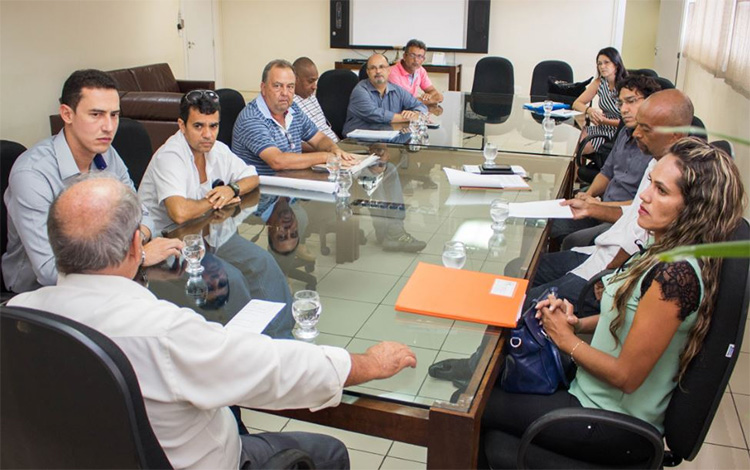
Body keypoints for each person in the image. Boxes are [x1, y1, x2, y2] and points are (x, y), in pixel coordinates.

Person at [8, 174, 418, 469]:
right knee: (329, 453)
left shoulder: (17, 315)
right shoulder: (164, 333)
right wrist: (367, 363)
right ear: (139, 245)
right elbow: (275, 370)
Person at [481, 138, 746, 466]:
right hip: (591, 396)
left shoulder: (676, 276)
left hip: (612, 424)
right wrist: (578, 323)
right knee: (484, 391)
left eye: (661, 191)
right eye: (650, 183)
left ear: (693, 207)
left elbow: (626, 376)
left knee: (473, 406)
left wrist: (567, 340)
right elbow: (628, 313)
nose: (645, 196)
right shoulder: (661, 249)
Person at [2, 69, 181, 294]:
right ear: (67, 114)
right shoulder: (31, 175)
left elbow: (143, 215)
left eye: (114, 115)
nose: (108, 127)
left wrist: (135, 245)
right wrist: (139, 255)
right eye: (96, 114)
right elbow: (49, 271)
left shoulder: (106, 153)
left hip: (106, 276)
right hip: (40, 294)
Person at [532, 89, 694, 316]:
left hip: (611, 270)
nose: (635, 133)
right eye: (638, 125)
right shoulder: (657, 162)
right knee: (525, 271)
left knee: (527, 303)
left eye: (645, 129)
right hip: (601, 252)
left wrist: (609, 275)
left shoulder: (678, 181)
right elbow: (633, 212)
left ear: (674, 136)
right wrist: (592, 207)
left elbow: (641, 242)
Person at [550, 74, 661, 247]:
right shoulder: (624, 133)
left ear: (651, 103)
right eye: (621, 103)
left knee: (572, 241)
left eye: (631, 101)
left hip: (622, 218)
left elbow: (641, 205)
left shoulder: (658, 149)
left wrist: (598, 206)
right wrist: (589, 194)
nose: (624, 109)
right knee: (551, 223)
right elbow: (606, 172)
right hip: (600, 205)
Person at [138, 89, 259, 233]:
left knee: (261, 256)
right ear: (182, 125)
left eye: (213, 126)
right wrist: (217, 200)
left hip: (203, 230)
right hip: (165, 240)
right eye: (198, 126)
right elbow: (180, 213)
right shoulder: (169, 156)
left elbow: (252, 177)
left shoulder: (218, 149)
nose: (207, 135)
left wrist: (231, 189)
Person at [232, 59, 355, 175]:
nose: (285, 93)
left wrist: (333, 149)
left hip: (293, 184)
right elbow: (277, 161)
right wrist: (326, 156)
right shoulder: (251, 118)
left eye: (290, 86)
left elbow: (318, 138)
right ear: (263, 88)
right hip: (264, 192)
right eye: (277, 86)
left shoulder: (293, 108)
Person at [342, 54, 428, 137]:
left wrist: (415, 113)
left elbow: (421, 106)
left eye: (382, 67)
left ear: (389, 70)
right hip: (357, 144)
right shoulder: (360, 90)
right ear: (368, 72)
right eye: (373, 68)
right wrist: (409, 118)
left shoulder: (397, 90)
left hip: (386, 141)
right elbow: (376, 115)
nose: (378, 71)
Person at [572, 47, 628, 154]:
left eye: (606, 62)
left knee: (581, 148)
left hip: (618, 132)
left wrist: (604, 121)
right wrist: (590, 110)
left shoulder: (626, 87)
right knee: (573, 142)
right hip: (601, 127)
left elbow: (627, 122)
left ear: (616, 64)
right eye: (599, 63)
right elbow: (576, 103)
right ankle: (573, 171)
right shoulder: (599, 82)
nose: (602, 66)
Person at [292, 57, 339, 144]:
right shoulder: (288, 103)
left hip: (335, 146)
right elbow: (297, 143)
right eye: (310, 81)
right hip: (321, 151)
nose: (315, 86)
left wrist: (340, 145)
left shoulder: (311, 96)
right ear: (296, 79)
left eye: (315, 81)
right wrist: (329, 148)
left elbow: (325, 127)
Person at [388, 39, 444, 105]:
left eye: (420, 56)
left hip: (413, 111)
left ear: (423, 59)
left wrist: (429, 96)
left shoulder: (420, 70)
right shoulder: (392, 73)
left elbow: (435, 93)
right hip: (397, 112)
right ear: (404, 56)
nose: (416, 60)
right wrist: (432, 100)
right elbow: (405, 102)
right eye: (412, 55)